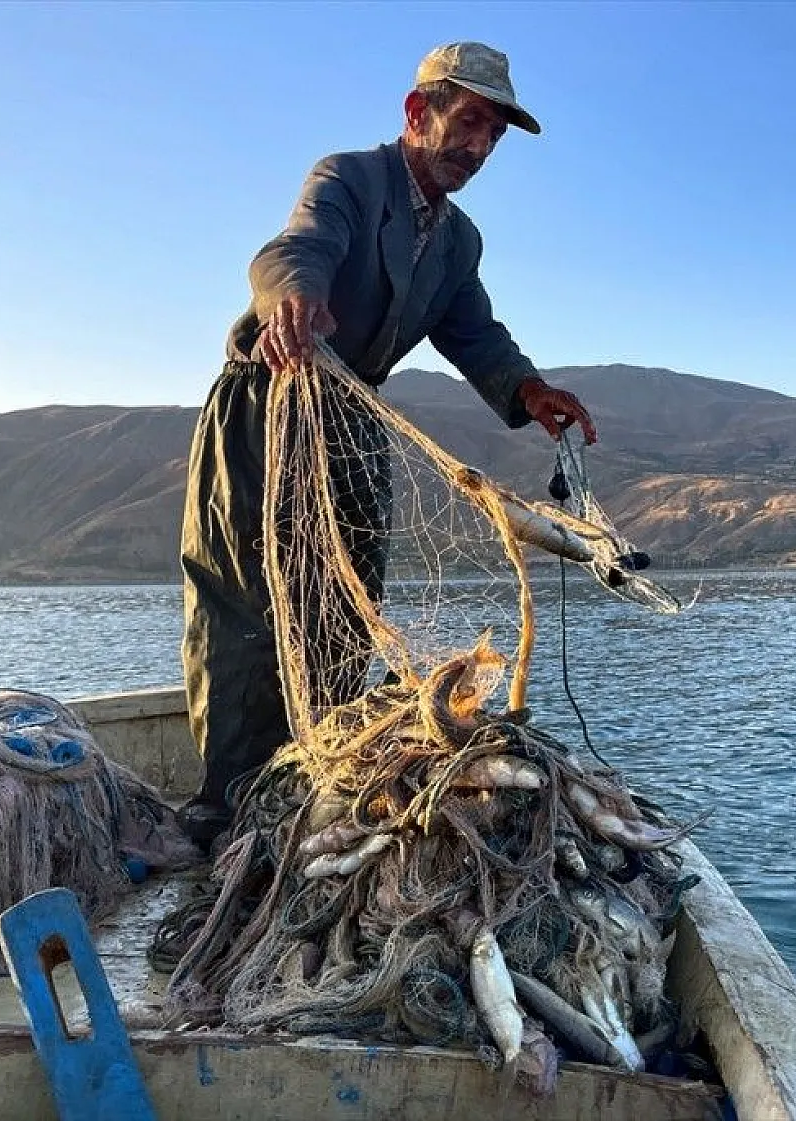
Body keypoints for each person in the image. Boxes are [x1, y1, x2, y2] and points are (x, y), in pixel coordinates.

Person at [177, 41, 598, 849]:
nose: (479, 147)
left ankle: (314, 778)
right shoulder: (349, 179)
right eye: (469, 121)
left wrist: (527, 390)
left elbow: (475, 332)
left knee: (343, 607)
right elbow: (291, 249)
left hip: (351, 419)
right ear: (418, 113)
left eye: (493, 136)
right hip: (269, 400)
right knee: (244, 605)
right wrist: (293, 298)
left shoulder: (458, 241)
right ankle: (225, 809)